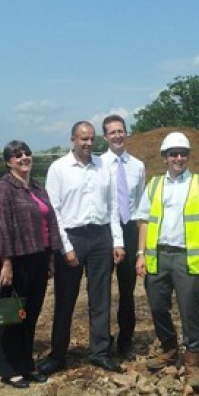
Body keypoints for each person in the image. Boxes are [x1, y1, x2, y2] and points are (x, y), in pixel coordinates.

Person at [136, 131, 199, 393]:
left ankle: (193, 363)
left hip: (186, 258)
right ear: (165, 157)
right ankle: (169, 348)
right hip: (158, 256)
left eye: (183, 153)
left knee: (188, 310)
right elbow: (144, 221)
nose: (178, 158)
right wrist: (140, 254)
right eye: (173, 154)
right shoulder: (155, 185)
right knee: (158, 306)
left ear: (188, 156)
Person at [39, 121, 124, 375]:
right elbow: (54, 211)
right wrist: (65, 247)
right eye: (83, 139)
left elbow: (113, 207)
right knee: (66, 298)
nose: (88, 144)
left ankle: (99, 351)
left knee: (101, 297)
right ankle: (58, 354)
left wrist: (117, 241)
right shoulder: (59, 168)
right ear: (72, 139)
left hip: (100, 237)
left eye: (91, 139)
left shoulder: (103, 167)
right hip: (73, 237)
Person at [0, 140, 62, 388]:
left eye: (27, 153)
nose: (24, 158)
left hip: (38, 258)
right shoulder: (2, 189)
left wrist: (51, 257)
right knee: (12, 316)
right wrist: (5, 263)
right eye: (17, 155)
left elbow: (50, 223)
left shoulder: (37, 188)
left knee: (30, 316)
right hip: (16, 260)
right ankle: (10, 369)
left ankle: (27, 365)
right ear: (9, 162)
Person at [101, 114, 146, 361]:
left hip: (129, 228)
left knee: (127, 290)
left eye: (121, 131)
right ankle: (102, 339)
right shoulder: (98, 164)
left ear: (125, 133)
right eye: (112, 132)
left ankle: (125, 341)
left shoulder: (137, 166)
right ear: (106, 136)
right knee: (101, 290)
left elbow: (139, 202)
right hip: (105, 230)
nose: (117, 136)